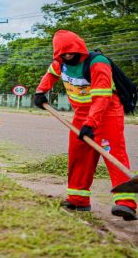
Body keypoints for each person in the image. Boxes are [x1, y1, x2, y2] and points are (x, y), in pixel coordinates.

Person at [34, 30, 137, 221]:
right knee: (78, 154)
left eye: (70, 53)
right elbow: (49, 76)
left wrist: (91, 123)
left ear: (79, 49)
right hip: (81, 114)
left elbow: (101, 98)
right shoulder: (60, 63)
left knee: (113, 153)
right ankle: (78, 199)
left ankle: (126, 203)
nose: (67, 56)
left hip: (107, 112)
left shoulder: (98, 63)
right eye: (62, 54)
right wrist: (40, 92)